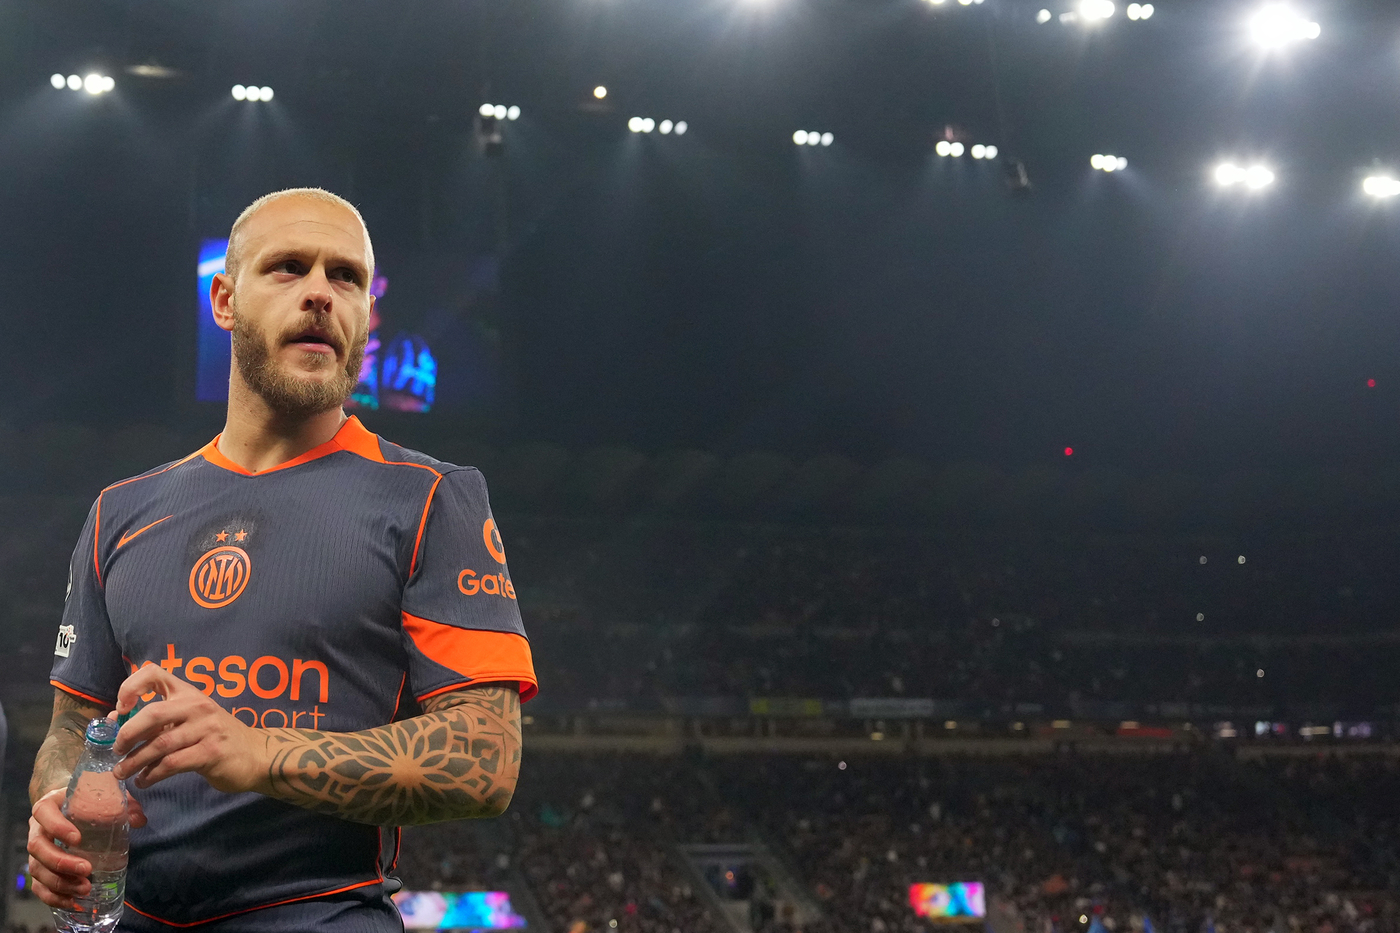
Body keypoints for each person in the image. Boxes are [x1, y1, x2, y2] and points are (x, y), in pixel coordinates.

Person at [26, 188, 537, 932]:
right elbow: (72, 726)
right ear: (225, 301)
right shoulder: (119, 511)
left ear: (367, 314)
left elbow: (486, 759)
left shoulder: (432, 498)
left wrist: (256, 751)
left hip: (321, 914)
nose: (321, 293)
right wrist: (58, 804)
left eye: (346, 277)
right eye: (289, 267)